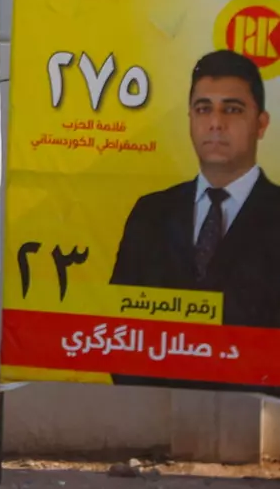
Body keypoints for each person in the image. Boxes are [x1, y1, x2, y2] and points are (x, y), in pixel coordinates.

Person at [108, 50, 279, 390]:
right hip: (154, 410)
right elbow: (119, 328)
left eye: (232, 109)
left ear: (261, 124)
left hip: (259, 412)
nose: (216, 122)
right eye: (203, 108)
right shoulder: (150, 214)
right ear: (190, 118)